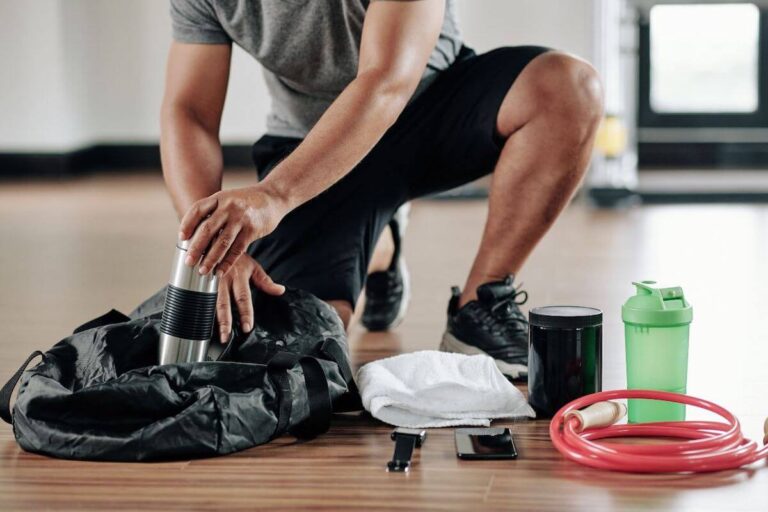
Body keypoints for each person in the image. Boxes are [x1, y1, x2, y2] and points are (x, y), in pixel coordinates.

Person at [161, 0, 603, 379]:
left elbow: (387, 80)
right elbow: (189, 113)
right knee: (306, 341)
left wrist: (275, 196)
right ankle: (382, 248)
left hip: (427, 109)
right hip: (311, 148)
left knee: (569, 89)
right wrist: (212, 245)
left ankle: (480, 304)